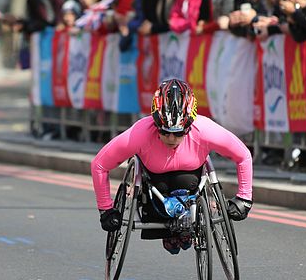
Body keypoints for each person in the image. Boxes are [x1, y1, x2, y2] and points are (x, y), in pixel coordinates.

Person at [92, 79, 253, 254]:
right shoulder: (139, 134)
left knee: (187, 180)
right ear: (155, 123)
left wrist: (244, 198)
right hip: (155, 190)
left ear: (189, 125)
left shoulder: (205, 130)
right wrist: (106, 209)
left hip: (192, 183)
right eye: (164, 131)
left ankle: (184, 227)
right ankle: (169, 233)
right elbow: (99, 165)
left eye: (178, 133)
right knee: (160, 189)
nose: (171, 139)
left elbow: (243, 155)